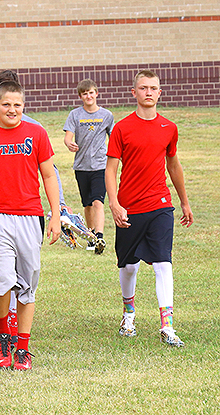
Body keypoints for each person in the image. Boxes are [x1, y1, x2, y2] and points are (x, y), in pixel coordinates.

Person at [0, 70, 67, 333]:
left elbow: (50, 175)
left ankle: (23, 344)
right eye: (6, 104)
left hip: (30, 216)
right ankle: (3, 332)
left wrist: (56, 213)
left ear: (24, 106)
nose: (12, 109)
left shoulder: (37, 133)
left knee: (28, 284)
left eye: (17, 105)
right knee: (1, 280)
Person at [105, 70, 194, 347]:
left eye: (153, 88)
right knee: (129, 266)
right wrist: (115, 204)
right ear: (134, 92)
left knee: (163, 263)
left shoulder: (169, 128)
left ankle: (167, 325)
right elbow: (110, 169)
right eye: (143, 88)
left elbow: (173, 165)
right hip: (130, 208)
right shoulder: (122, 128)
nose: (148, 92)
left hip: (160, 206)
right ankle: (128, 314)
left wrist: (184, 201)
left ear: (159, 92)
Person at [63, 79, 114, 254]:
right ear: (80, 96)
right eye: (85, 93)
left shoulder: (106, 115)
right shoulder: (75, 115)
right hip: (81, 166)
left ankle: (99, 236)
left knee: (98, 201)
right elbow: (68, 137)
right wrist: (69, 143)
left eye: (91, 92)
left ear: (96, 93)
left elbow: (114, 138)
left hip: (100, 165)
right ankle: (91, 235)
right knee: (88, 204)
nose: (88, 96)